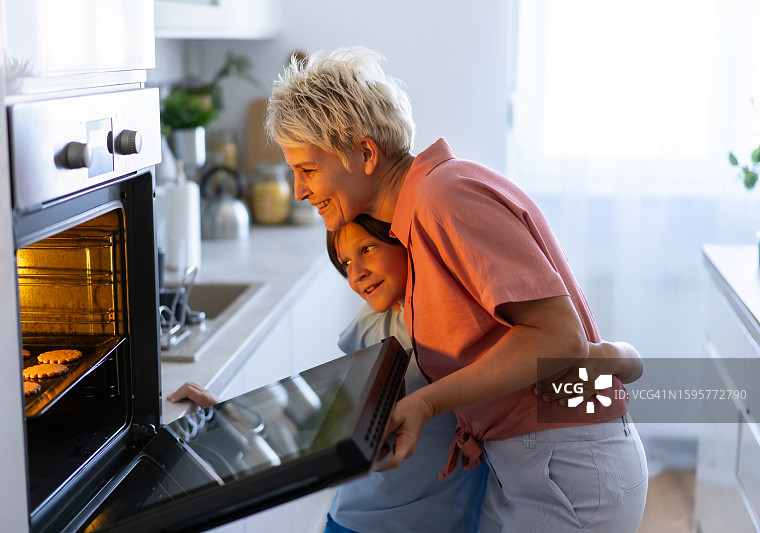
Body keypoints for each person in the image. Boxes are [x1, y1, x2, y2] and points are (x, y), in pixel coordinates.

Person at [265, 47, 649, 532]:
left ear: (365, 153)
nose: (299, 190)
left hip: (564, 469)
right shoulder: (424, 212)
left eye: (308, 169)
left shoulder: (442, 196)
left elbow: (560, 339)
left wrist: (426, 403)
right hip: (535, 463)